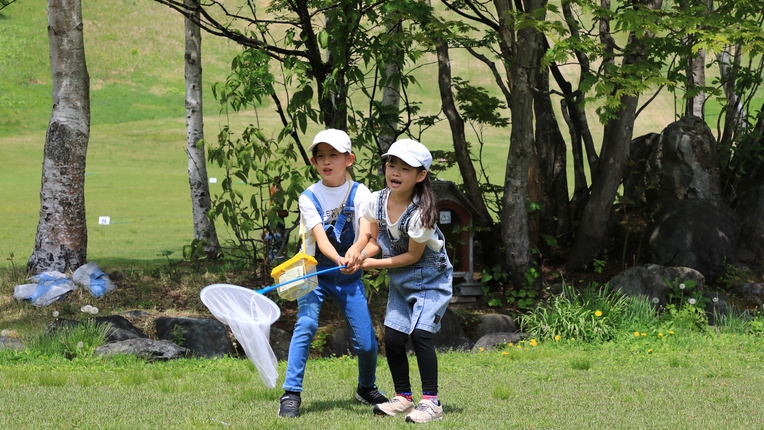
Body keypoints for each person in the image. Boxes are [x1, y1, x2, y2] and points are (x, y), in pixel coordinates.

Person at [278, 129, 388, 418]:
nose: (326, 162)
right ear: (314, 162)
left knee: (366, 343)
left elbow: (367, 233)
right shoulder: (308, 196)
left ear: (349, 159)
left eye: (334, 156)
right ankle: (291, 393)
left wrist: (358, 253)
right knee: (305, 326)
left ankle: (366, 387)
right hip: (314, 275)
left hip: (349, 278)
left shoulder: (362, 193)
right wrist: (340, 257)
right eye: (320, 157)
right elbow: (321, 239)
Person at [352, 138, 453, 423]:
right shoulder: (375, 200)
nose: (395, 172)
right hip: (401, 281)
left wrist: (372, 263)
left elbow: (411, 256)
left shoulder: (421, 214)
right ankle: (404, 398)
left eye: (405, 168)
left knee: (421, 335)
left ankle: (432, 402)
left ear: (421, 176)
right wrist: (355, 252)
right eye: (391, 164)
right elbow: (370, 237)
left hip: (430, 281)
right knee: (394, 337)